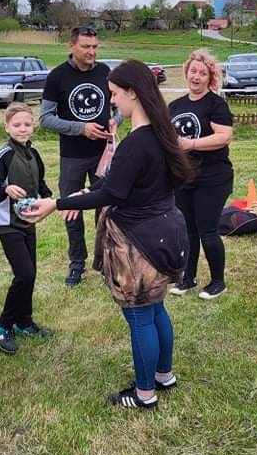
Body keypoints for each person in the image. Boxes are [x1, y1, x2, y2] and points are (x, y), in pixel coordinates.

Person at [24, 60, 193, 410]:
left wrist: (56, 203)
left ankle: (144, 394)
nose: (112, 101)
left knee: (139, 314)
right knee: (156, 307)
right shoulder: (163, 135)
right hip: (166, 231)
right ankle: (164, 374)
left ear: (133, 92)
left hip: (139, 242)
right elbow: (121, 188)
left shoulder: (137, 143)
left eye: (115, 94)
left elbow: (111, 194)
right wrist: (78, 198)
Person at [39, 25, 112, 287]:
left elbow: (121, 103)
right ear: (72, 46)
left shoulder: (105, 72)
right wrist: (81, 129)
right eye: (86, 47)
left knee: (105, 209)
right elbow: (45, 118)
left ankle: (105, 262)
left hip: (104, 155)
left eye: (95, 47)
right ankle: (77, 263)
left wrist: (116, 121)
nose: (92, 51)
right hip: (72, 156)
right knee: (71, 209)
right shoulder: (57, 76)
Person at [0, 102, 54, 353]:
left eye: (27, 124)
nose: (22, 129)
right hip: (7, 223)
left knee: (31, 273)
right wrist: (5, 189)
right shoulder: (3, 155)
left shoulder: (34, 154)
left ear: (33, 127)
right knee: (23, 273)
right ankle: (3, 326)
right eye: (17, 125)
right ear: (6, 127)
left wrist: (49, 198)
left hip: (28, 221)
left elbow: (41, 184)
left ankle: (24, 321)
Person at [168, 48, 234, 300]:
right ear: (186, 72)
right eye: (193, 71)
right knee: (187, 230)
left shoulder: (216, 104)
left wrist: (191, 144)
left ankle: (218, 282)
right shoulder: (175, 106)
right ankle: (188, 277)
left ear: (210, 77)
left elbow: (224, 136)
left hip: (213, 178)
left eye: (202, 73)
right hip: (184, 178)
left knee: (207, 230)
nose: (196, 77)